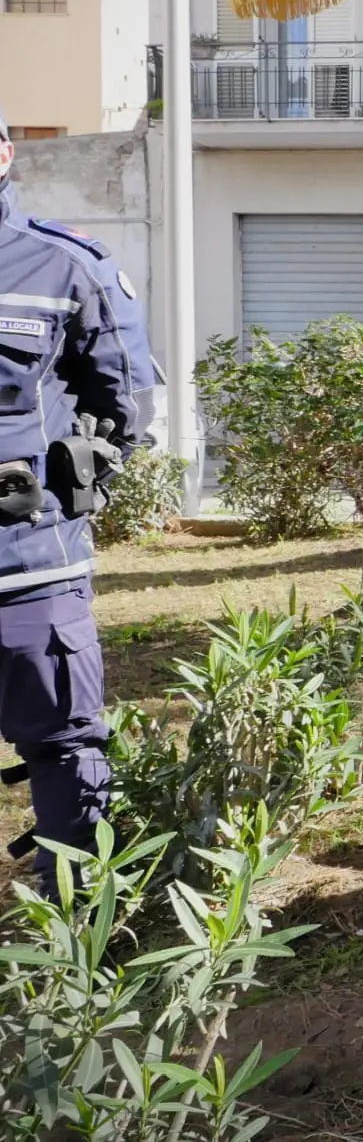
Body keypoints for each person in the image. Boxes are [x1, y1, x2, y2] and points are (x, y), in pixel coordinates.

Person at [0, 103, 157, 889]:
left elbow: (127, 403)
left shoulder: (66, 267)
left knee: (65, 750)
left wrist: (61, 489)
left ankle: (75, 942)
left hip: (29, 567)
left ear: (4, 152)